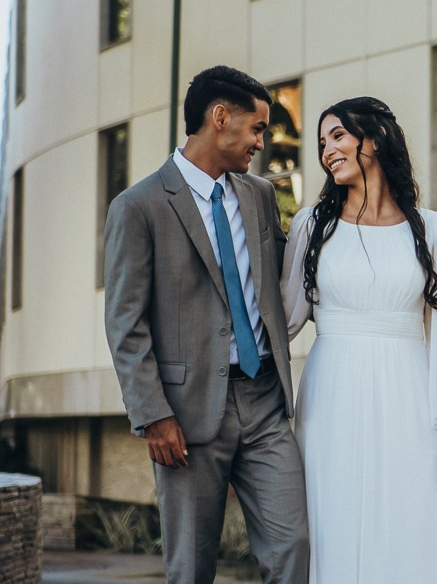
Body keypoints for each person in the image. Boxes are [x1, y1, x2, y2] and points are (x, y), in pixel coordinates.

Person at [104, 65, 309, 583]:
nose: (261, 142)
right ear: (221, 118)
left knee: (295, 548)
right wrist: (153, 415)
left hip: (264, 400)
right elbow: (126, 323)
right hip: (186, 414)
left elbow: (293, 270)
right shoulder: (139, 207)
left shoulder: (260, 196)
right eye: (258, 128)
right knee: (191, 567)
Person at [281, 96, 437, 582]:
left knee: (414, 514)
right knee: (335, 514)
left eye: (337, 136)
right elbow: (280, 318)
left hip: (410, 395)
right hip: (331, 395)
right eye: (321, 142)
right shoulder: (311, 227)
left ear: (374, 139)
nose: (327, 150)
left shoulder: (431, 229)